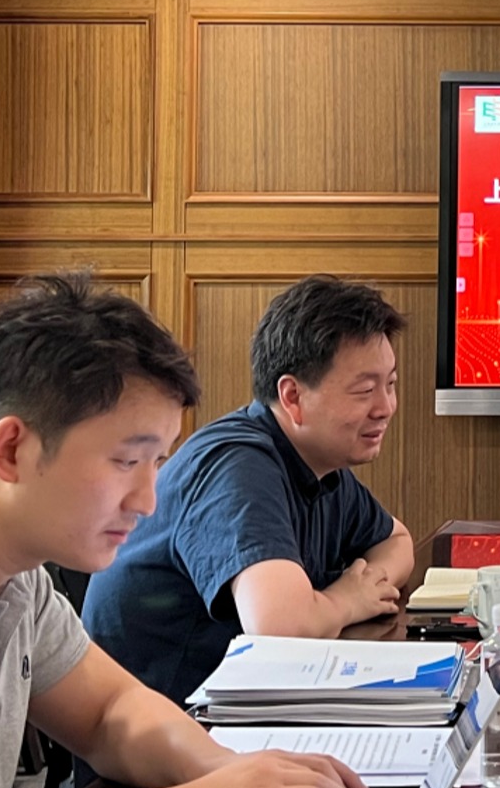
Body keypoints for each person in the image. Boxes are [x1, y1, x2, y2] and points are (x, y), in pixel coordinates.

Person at [0, 274, 371, 788]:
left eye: (157, 463)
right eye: (126, 462)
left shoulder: (15, 572)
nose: (147, 501)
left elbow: (109, 712)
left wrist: (228, 773)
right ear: (11, 449)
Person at [84, 275, 415, 709]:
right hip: (157, 727)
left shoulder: (320, 465)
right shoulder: (237, 466)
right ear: (292, 396)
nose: (386, 407)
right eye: (365, 391)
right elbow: (281, 628)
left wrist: (358, 590)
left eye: (390, 384)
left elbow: (397, 541)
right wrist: (347, 601)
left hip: (242, 711)